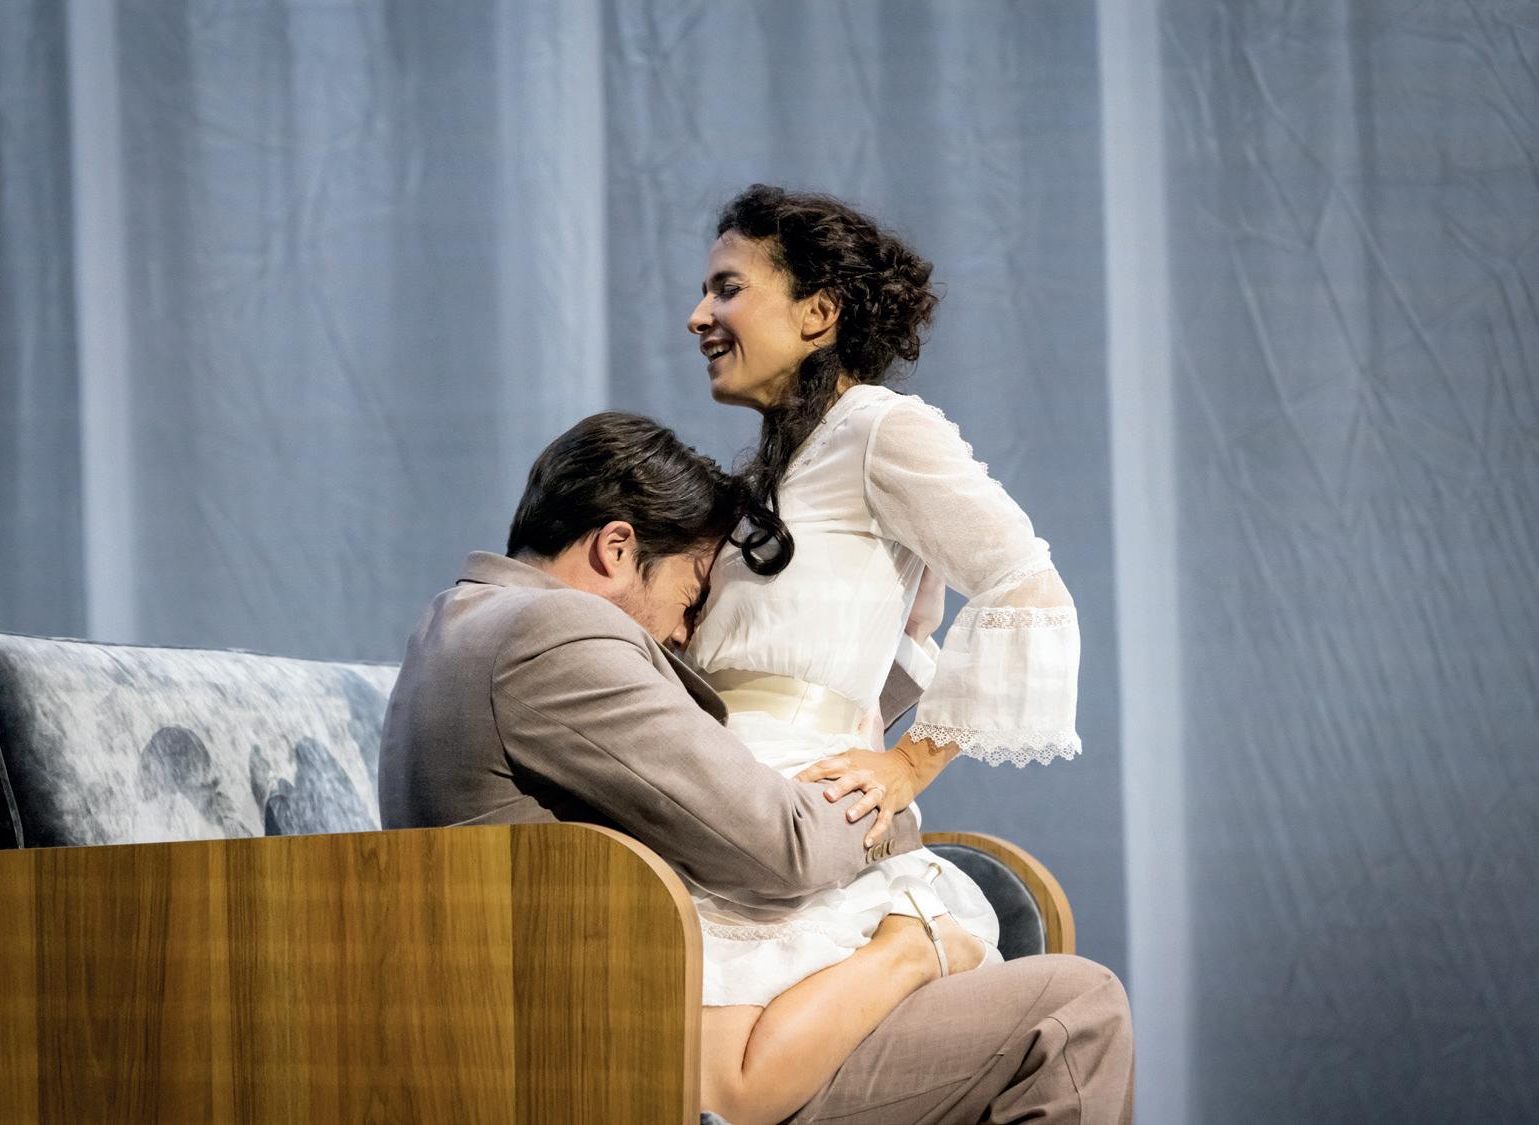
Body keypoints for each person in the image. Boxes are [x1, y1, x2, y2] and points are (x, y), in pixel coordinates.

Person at [380, 411, 1133, 1123]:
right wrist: (895, 793)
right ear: (616, 549)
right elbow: (783, 847)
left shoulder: (458, 623)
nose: (685, 635)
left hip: (529, 1013)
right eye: (692, 595)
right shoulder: (556, 635)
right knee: (1077, 1005)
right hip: (598, 1049)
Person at [679, 185, 1131, 1123]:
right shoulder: (778, 469)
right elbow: (856, 653)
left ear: (818, 312)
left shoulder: (879, 429)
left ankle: (916, 949)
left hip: (800, 831)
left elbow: (1025, 585)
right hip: (723, 810)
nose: (698, 315)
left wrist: (907, 765)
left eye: (726, 288)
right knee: (727, 1087)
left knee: (743, 1087)